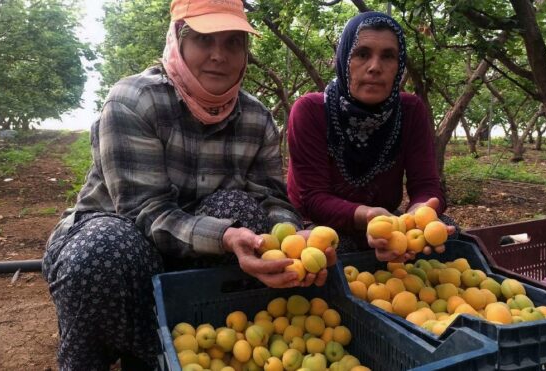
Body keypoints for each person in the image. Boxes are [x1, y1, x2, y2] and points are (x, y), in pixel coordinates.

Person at [42, 1, 335, 369]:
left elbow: (271, 199)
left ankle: (179, 348)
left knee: (243, 211)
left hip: (196, 248)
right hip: (121, 241)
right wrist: (226, 237)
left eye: (233, 43)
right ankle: (101, 356)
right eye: (203, 39)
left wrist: (293, 237)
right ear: (177, 41)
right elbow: (144, 213)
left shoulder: (257, 118)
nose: (218, 55)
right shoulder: (135, 101)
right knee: (104, 252)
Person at [287, 11, 456, 263]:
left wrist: (420, 213)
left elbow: (426, 185)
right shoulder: (311, 110)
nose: (375, 67)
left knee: (446, 234)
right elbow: (312, 199)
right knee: (337, 255)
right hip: (319, 226)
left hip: (382, 223)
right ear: (345, 58)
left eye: (388, 56)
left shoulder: (410, 111)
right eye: (362, 54)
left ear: (399, 66)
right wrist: (366, 215)